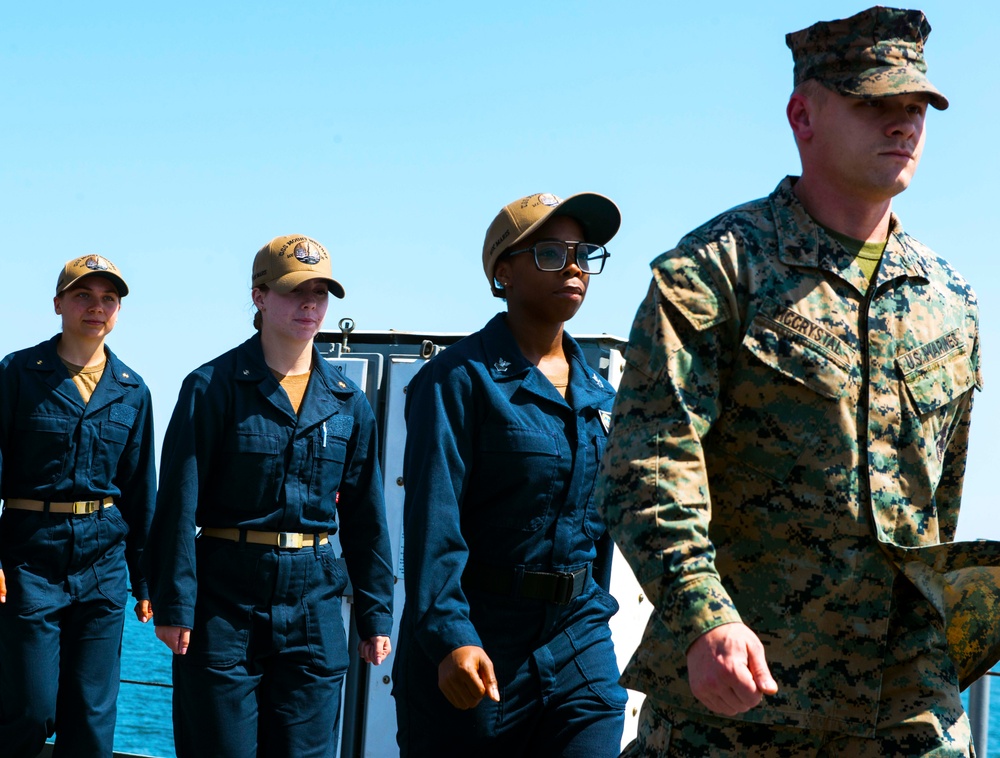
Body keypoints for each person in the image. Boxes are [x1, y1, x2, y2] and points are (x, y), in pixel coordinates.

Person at [596, 7, 990, 757]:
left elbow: (940, 496)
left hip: (907, 708)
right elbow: (649, 466)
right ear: (802, 116)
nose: (902, 124)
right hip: (743, 701)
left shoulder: (951, 297)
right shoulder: (714, 273)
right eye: (876, 102)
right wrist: (704, 616)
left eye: (916, 108)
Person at [392, 192, 628, 756]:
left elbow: (601, 528)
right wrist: (450, 637)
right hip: (480, 638)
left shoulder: (601, 395)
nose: (573, 266)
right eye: (549, 252)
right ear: (504, 273)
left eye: (582, 252)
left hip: (579, 637)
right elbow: (433, 523)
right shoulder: (457, 381)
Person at [143, 235, 394, 757]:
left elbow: (368, 518)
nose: (310, 304)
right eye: (295, 290)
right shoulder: (210, 387)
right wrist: (174, 605)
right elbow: (177, 506)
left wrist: (375, 615)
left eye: (321, 292)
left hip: (315, 605)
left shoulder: (348, 403)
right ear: (258, 296)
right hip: (225, 601)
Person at [0, 255, 156, 758]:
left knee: (90, 719)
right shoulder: (18, 373)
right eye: (84, 296)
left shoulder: (133, 392)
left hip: (102, 564)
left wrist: (146, 580)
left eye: (108, 299)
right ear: (58, 304)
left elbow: (140, 492)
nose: (97, 307)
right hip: (30, 557)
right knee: (30, 707)